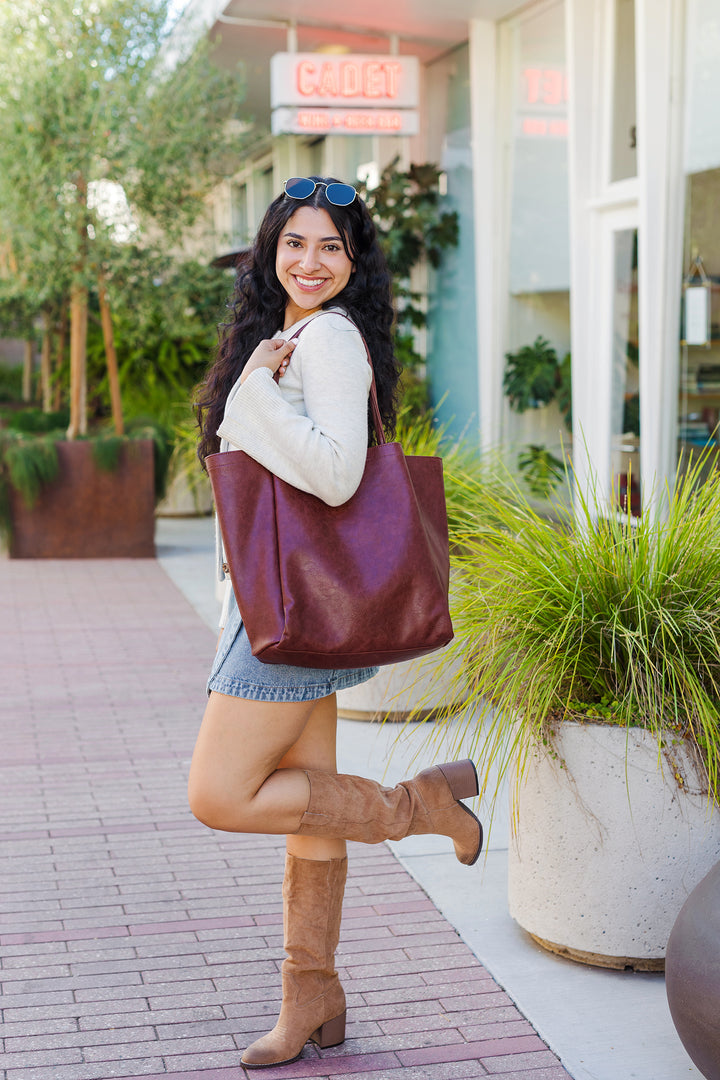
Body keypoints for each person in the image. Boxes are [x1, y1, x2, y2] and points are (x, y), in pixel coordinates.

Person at [188, 175, 482, 1070]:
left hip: (291, 617)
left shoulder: (328, 341)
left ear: (354, 264)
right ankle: (311, 994)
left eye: (331, 248)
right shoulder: (288, 339)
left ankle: (420, 805)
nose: (309, 263)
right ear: (270, 250)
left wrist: (252, 399)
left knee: (218, 793)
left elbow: (338, 474)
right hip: (286, 610)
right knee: (309, 814)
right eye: (295, 244)